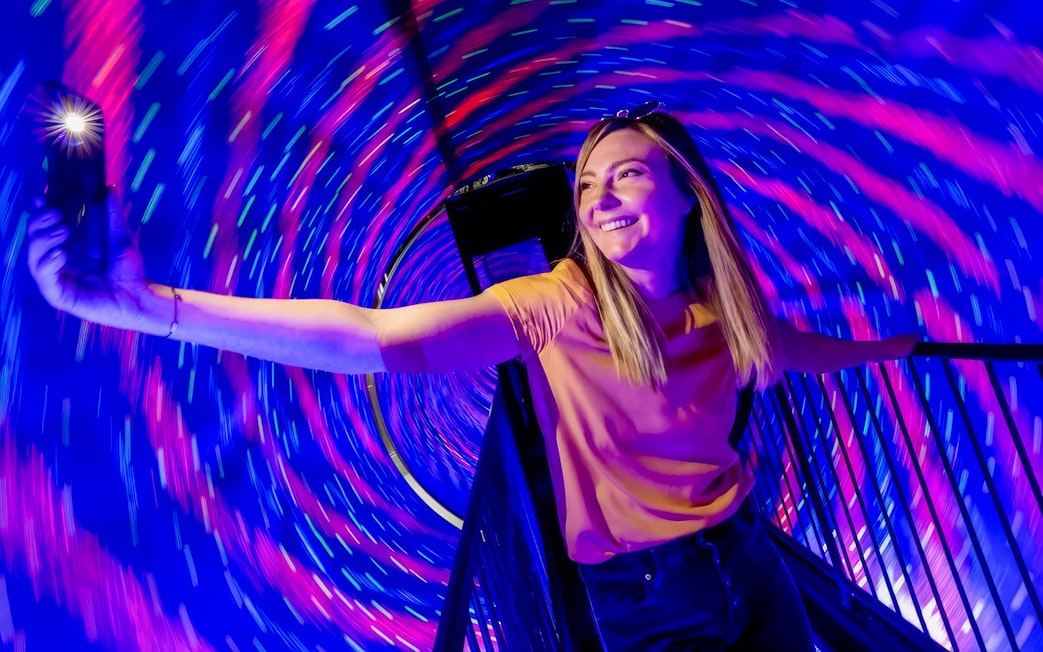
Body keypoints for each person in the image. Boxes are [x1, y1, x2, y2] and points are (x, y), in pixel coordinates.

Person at [27, 107, 917, 651]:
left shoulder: (724, 307)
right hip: (650, 603)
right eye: (587, 185)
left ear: (688, 196)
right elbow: (371, 336)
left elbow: (791, 349)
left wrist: (891, 354)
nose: (598, 197)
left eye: (628, 175)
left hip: (749, 560)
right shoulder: (556, 303)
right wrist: (156, 310)